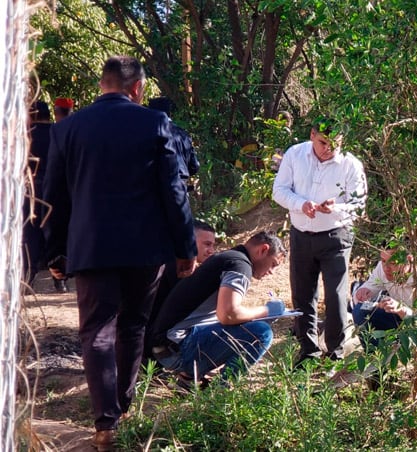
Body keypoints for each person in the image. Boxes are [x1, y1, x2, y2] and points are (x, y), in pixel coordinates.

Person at [43, 56, 196, 451]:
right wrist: (185, 248)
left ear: (102, 84)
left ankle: (105, 425)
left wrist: (55, 253)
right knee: (132, 326)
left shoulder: (68, 128)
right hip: (146, 248)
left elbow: (53, 198)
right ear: (138, 88)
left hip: (91, 245)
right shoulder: (154, 123)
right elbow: (174, 193)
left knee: (96, 330)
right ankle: (125, 409)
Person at [272, 117, 367, 368]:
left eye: (334, 144)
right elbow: (279, 191)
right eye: (323, 142)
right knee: (302, 294)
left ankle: (335, 350)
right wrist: (301, 204)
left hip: (336, 235)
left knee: (335, 297)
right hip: (301, 233)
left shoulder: (350, 164)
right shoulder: (295, 154)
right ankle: (308, 351)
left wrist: (336, 209)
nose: (328, 149)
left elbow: (358, 206)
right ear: (312, 135)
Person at [147, 231, 286, 388]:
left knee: (251, 327)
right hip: (178, 349)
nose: (271, 272)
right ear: (263, 250)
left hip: (166, 347)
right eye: (273, 264)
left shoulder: (229, 257)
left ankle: (188, 378)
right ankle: (221, 392)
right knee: (261, 332)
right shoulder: (240, 265)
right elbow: (228, 314)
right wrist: (267, 310)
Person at [144, 219, 217, 361]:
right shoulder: (178, 266)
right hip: (152, 342)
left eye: (213, 245)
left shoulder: (169, 260)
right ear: (189, 240)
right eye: (207, 244)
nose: (211, 251)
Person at [21, 101, 54, 290]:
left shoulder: (25, 135)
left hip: (30, 188)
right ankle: (59, 279)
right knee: (51, 230)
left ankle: (29, 274)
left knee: (31, 233)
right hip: (52, 188)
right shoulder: (58, 132)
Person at [148, 96, 200, 190]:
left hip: (157, 191)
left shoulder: (150, 134)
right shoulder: (183, 134)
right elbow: (194, 166)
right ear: (170, 113)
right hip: (181, 189)